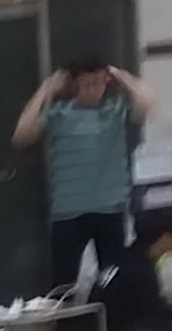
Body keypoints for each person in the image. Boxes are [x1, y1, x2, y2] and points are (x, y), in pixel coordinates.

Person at [14, 56, 156, 288]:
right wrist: (45, 89)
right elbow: (21, 136)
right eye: (86, 84)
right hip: (68, 212)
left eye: (98, 83)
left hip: (110, 208)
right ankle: (66, 315)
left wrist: (120, 76)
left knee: (113, 280)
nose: (93, 90)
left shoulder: (116, 109)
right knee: (63, 283)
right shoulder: (58, 113)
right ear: (74, 85)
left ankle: (111, 314)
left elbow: (149, 102)